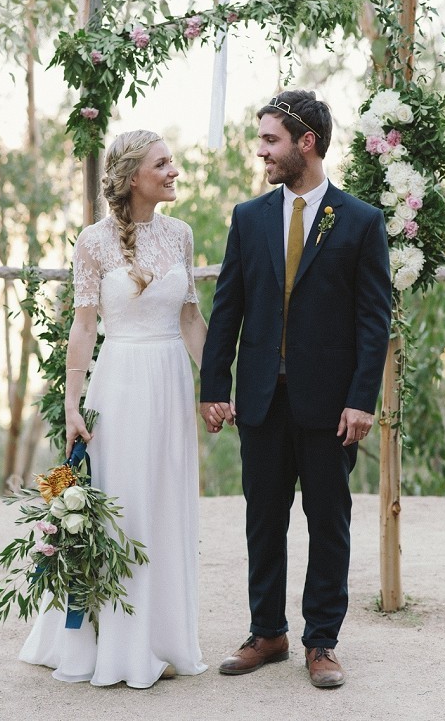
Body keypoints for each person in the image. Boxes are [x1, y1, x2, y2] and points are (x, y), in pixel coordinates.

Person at [199, 90, 391, 688]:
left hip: (331, 405)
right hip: (260, 398)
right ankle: (268, 633)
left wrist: (361, 399)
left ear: (306, 143)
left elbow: (373, 320)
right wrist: (213, 385)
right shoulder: (248, 217)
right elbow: (227, 307)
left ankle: (322, 641)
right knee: (263, 520)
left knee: (328, 522)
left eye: (270, 140)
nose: (261, 151)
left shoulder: (361, 221)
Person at [20, 129, 208, 688]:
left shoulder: (181, 234)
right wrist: (72, 404)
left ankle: (162, 638)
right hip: (121, 383)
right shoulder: (93, 242)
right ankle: (116, 643)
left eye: (172, 161)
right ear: (132, 179)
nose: (174, 171)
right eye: (162, 164)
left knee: (166, 504)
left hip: (171, 383)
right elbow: (83, 327)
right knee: (123, 507)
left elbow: (191, 320)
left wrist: (220, 387)